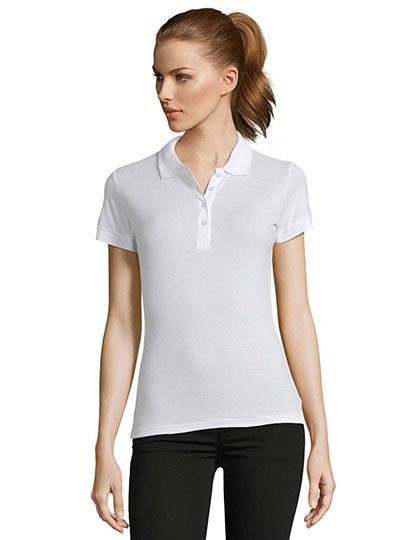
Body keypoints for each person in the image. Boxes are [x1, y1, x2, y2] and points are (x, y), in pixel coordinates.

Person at [91, 7, 335, 539]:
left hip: (269, 424)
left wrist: (320, 436)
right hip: (166, 427)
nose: (164, 92)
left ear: (228, 80)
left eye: (181, 77)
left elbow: (296, 314)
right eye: (158, 77)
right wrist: (104, 444)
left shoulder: (281, 181)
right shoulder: (128, 185)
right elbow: (122, 323)